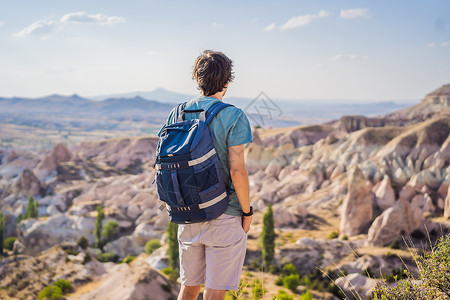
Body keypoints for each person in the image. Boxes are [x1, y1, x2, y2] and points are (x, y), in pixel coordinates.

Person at [158, 50, 253, 300]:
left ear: (197, 79)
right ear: (227, 81)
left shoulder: (177, 113)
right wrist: (246, 211)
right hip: (225, 213)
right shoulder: (234, 115)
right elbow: (237, 170)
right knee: (215, 291)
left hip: (187, 212)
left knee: (188, 288)